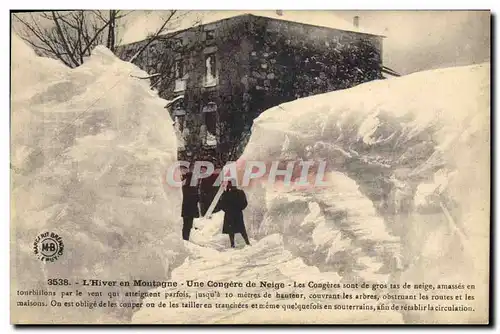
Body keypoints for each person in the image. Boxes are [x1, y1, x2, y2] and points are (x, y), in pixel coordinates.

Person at [219, 180, 251, 248]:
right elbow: (245, 203)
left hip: (230, 214)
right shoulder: (240, 192)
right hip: (237, 213)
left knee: (231, 231)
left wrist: (227, 210)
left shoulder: (227, 194)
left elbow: (221, 204)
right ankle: (248, 243)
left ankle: (233, 245)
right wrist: (239, 209)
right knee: (242, 229)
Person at [181, 170, 199, 241]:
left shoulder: (184, 188)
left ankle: (184, 238)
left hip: (185, 209)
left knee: (185, 224)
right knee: (188, 225)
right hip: (190, 209)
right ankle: (186, 238)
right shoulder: (193, 188)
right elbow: (197, 198)